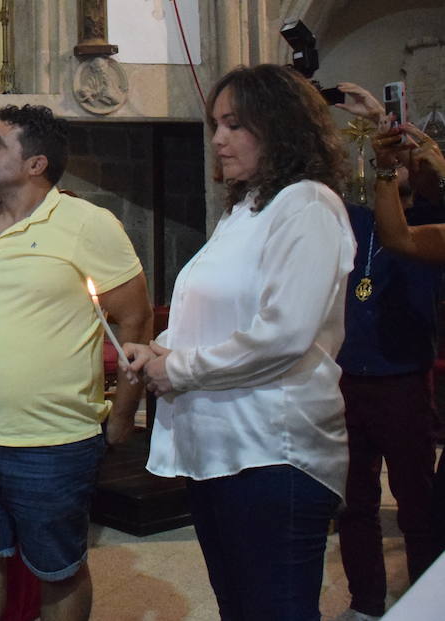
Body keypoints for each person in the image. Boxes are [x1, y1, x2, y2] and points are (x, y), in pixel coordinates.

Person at [129, 64, 354, 621]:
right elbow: (213, 315)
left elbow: (285, 333)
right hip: (220, 451)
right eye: (214, 124)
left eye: (234, 124)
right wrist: (160, 349)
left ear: (279, 127)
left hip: (273, 453)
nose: (218, 139)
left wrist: (176, 370)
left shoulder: (307, 204)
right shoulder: (245, 209)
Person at [0, 104, 153, 621]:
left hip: (54, 444)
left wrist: (123, 414)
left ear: (36, 165)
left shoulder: (88, 224)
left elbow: (137, 319)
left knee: (57, 572)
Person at [331, 84, 442, 621]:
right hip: (348, 381)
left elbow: (426, 162)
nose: (392, 167)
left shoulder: (428, 224)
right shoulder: (353, 223)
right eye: (384, 160)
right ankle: (367, 603)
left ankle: (423, 602)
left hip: (403, 381)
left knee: (417, 505)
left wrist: (388, 122)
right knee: (353, 505)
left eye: (401, 162)